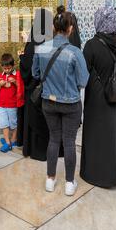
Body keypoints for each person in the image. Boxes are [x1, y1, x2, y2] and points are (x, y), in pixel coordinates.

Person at [33, 10, 89, 196]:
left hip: (48, 102)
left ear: (53, 28)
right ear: (70, 29)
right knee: (69, 142)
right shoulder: (75, 52)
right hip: (71, 104)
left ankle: (50, 179)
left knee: (54, 139)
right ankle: (69, 183)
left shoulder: (40, 49)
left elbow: (35, 74)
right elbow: (83, 81)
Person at [80, 6, 116, 188]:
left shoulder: (91, 45)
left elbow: (83, 72)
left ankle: (98, 174)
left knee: (98, 134)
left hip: (98, 98)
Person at [19, 9, 52, 161]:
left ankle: (35, 151)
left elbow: (28, 67)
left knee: (34, 119)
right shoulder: (51, 41)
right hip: (49, 89)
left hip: (34, 90)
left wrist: (22, 59)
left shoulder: (33, 42)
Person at [0, 53, 25, 153]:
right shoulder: (0, 75)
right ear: (1, 66)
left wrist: (15, 82)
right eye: (5, 68)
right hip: (1, 105)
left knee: (13, 124)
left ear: (13, 66)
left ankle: (13, 140)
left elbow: (21, 88)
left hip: (12, 105)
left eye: (9, 68)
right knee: (3, 123)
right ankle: (8, 143)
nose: (7, 70)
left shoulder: (17, 75)